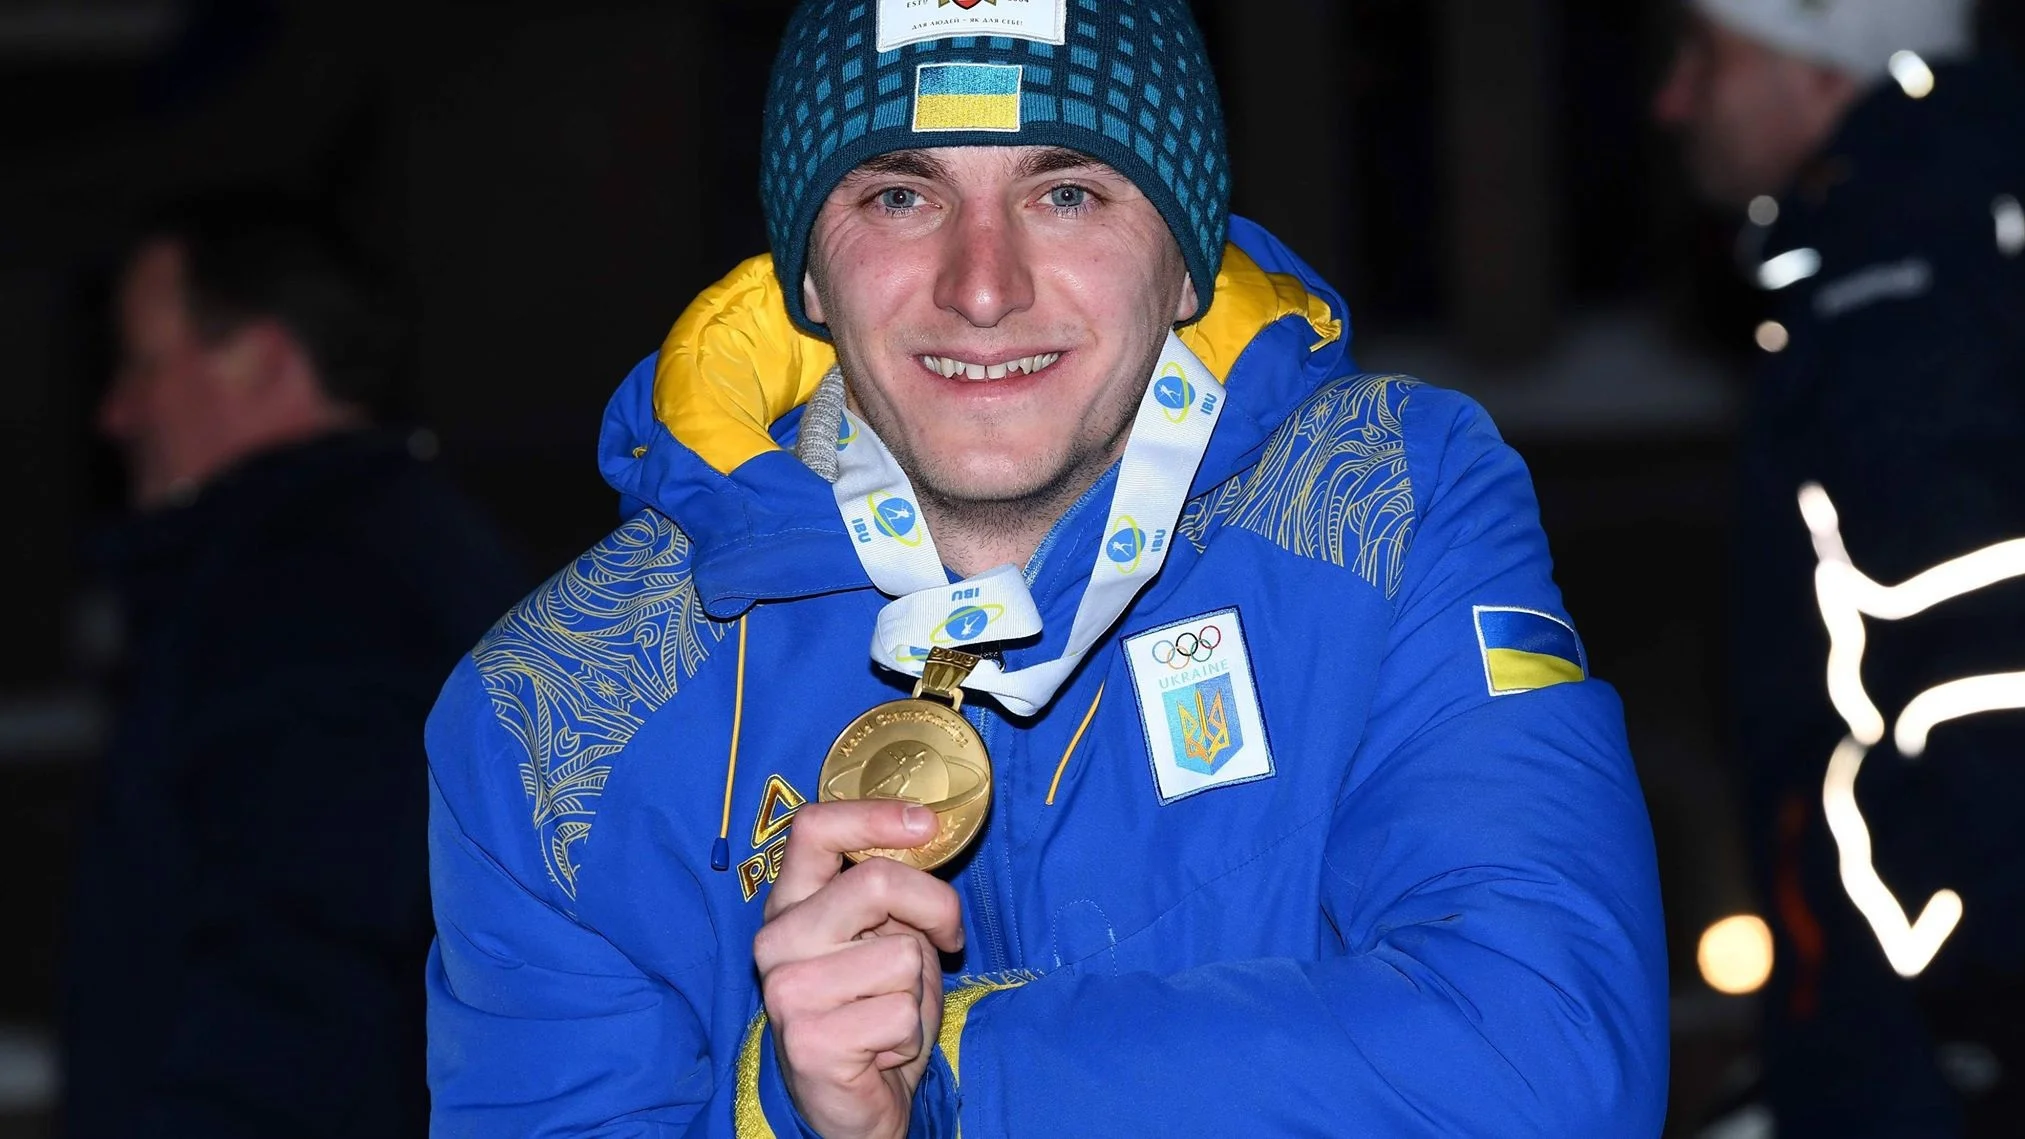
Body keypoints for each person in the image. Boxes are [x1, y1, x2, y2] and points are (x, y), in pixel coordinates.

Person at [426, 2, 1667, 1134]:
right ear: (807, 270)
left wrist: (958, 1066)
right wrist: (800, 1118)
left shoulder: (1381, 500)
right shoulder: (555, 709)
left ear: (1184, 259)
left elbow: (1545, 1060)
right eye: (898, 196)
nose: (982, 286)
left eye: (1066, 192)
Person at [1656, 1, 2025, 1135]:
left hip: (1941, 1033)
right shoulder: (1919, 237)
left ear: (1824, 61)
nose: (1673, 101)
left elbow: (1982, 649)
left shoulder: (1908, 265)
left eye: (1709, 54)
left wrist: (1979, 1021)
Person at [62, 192, 530, 1138]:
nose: (114, 413)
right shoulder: (391, 549)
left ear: (263, 359)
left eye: (143, 364)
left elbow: (309, 963)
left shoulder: (314, 587)